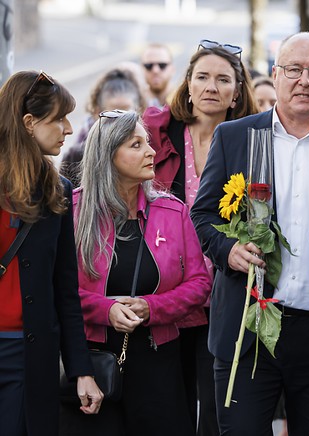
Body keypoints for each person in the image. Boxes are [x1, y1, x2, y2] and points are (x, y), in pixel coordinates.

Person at [191, 31, 309, 435]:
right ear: (275, 75)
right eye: (294, 69)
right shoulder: (237, 136)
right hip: (249, 327)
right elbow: (204, 213)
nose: (304, 80)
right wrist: (228, 250)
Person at [59, 110, 212, 436]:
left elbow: (200, 283)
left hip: (159, 364)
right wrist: (106, 310)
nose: (151, 151)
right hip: (92, 362)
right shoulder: (72, 210)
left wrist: (152, 308)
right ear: (108, 155)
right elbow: (57, 288)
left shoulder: (173, 211)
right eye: (136, 144)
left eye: (148, 143)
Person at [143, 39, 257, 436]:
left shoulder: (251, 140)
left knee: (216, 405)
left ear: (236, 92)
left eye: (223, 79)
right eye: (202, 77)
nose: (212, 86)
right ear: (188, 84)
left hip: (226, 290)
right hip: (167, 290)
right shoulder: (156, 132)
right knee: (168, 404)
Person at [0, 70, 103, 436]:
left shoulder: (57, 190)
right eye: (58, 118)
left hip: (34, 359)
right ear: (29, 123)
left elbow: (65, 289)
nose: (69, 129)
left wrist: (81, 370)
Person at [60, 68, 146, 187]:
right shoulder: (76, 157)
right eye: (113, 114)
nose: (121, 121)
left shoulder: (149, 152)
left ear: (139, 110)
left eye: (127, 112)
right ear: (96, 113)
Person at [141, 43, 176, 108]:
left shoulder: (183, 101)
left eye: (162, 65)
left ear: (172, 69)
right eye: (149, 66)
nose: (155, 70)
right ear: (142, 69)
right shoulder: (135, 102)